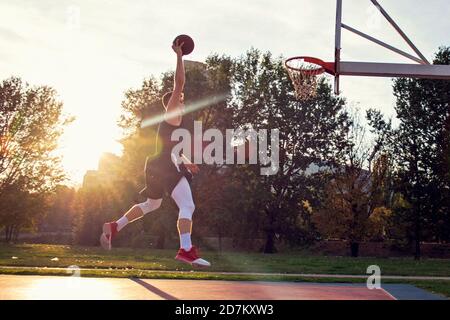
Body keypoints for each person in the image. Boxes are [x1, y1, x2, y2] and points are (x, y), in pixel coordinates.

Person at [100, 39, 210, 267]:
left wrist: (187, 162)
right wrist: (179, 56)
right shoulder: (172, 112)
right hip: (163, 166)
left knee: (152, 205)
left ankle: (114, 226)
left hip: (158, 165)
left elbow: (169, 150)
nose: (183, 99)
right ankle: (186, 249)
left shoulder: (174, 122)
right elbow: (179, 82)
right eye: (180, 98)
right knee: (188, 206)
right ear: (172, 101)